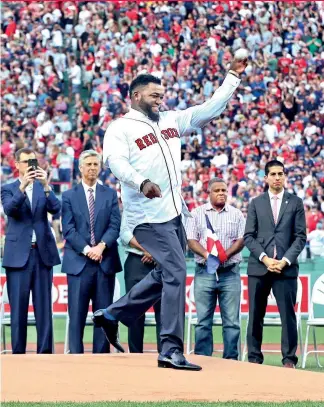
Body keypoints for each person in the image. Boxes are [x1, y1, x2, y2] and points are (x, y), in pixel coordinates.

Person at [93, 55, 247, 371]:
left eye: (161, 95)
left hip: (176, 214)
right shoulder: (120, 127)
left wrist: (232, 76)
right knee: (176, 271)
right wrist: (141, 181)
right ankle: (170, 349)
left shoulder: (170, 120)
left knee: (166, 273)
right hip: (145, 218)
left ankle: (112, 314)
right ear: (135, 96)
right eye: (154, 95)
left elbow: (209, 109)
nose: (160, 100)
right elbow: (115, 162)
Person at [244, 160, 307, 368]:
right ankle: (254, 358)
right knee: (255, 316)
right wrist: (265, 258)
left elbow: (300, 237)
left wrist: (284, 261)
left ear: (285, 176)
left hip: (285, 269)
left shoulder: (296, 203)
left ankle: (289, 360)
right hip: (259, 267)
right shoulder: (255, 203)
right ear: (266, 178)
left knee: (288, 316)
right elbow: (249, 237)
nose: (277, 177)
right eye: (273, 174)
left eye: (281, 173)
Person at [1, 147, 61, 354]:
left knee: (44, 308)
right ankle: (18, 354)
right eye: (25, 162)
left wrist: (45, 185)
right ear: (16, 164)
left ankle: (44, 354)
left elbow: (56, 208)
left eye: (33, 161)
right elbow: (10, 210)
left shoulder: (43, 188)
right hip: (18, 256)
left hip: (42, 254)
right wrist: (23, 186)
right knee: (18, 310)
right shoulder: (8, 188)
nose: (30, 165)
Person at [61, 150, 121, 353]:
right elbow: (68, 229)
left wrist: (101, 246)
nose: (93, 168)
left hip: (104, 264)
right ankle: (76, 360)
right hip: (79, 264)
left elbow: (115, 225)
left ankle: (101, 361)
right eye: (89, 164)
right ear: (80, 168)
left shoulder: (110, 194)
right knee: (76, 316)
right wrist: (88, 250)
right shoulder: (69, 195)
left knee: (102, 316)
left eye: (96, 164)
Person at [185, 177, 245, 359]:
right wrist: (207, 255)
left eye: (224, 191)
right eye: (217, 191)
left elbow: (242, 240)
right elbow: (191, 240)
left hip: (230, 272)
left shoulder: (237, 214)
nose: (221, 193)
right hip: (204, 271)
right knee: (203, 321)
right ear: (208, 193)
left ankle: (231, 360)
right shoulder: (196, 213)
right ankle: (203, 359)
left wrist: (224, 255)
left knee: (232, 322)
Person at [119, 214, 161, 353]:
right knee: (135, 312)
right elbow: (124, 234)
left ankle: (166, 353)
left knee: (163, 313)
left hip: (161, 262)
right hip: (136, 262)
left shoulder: (163, 207)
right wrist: (147, 250)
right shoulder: (131, 207)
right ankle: (135, 355)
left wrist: (155, 253)